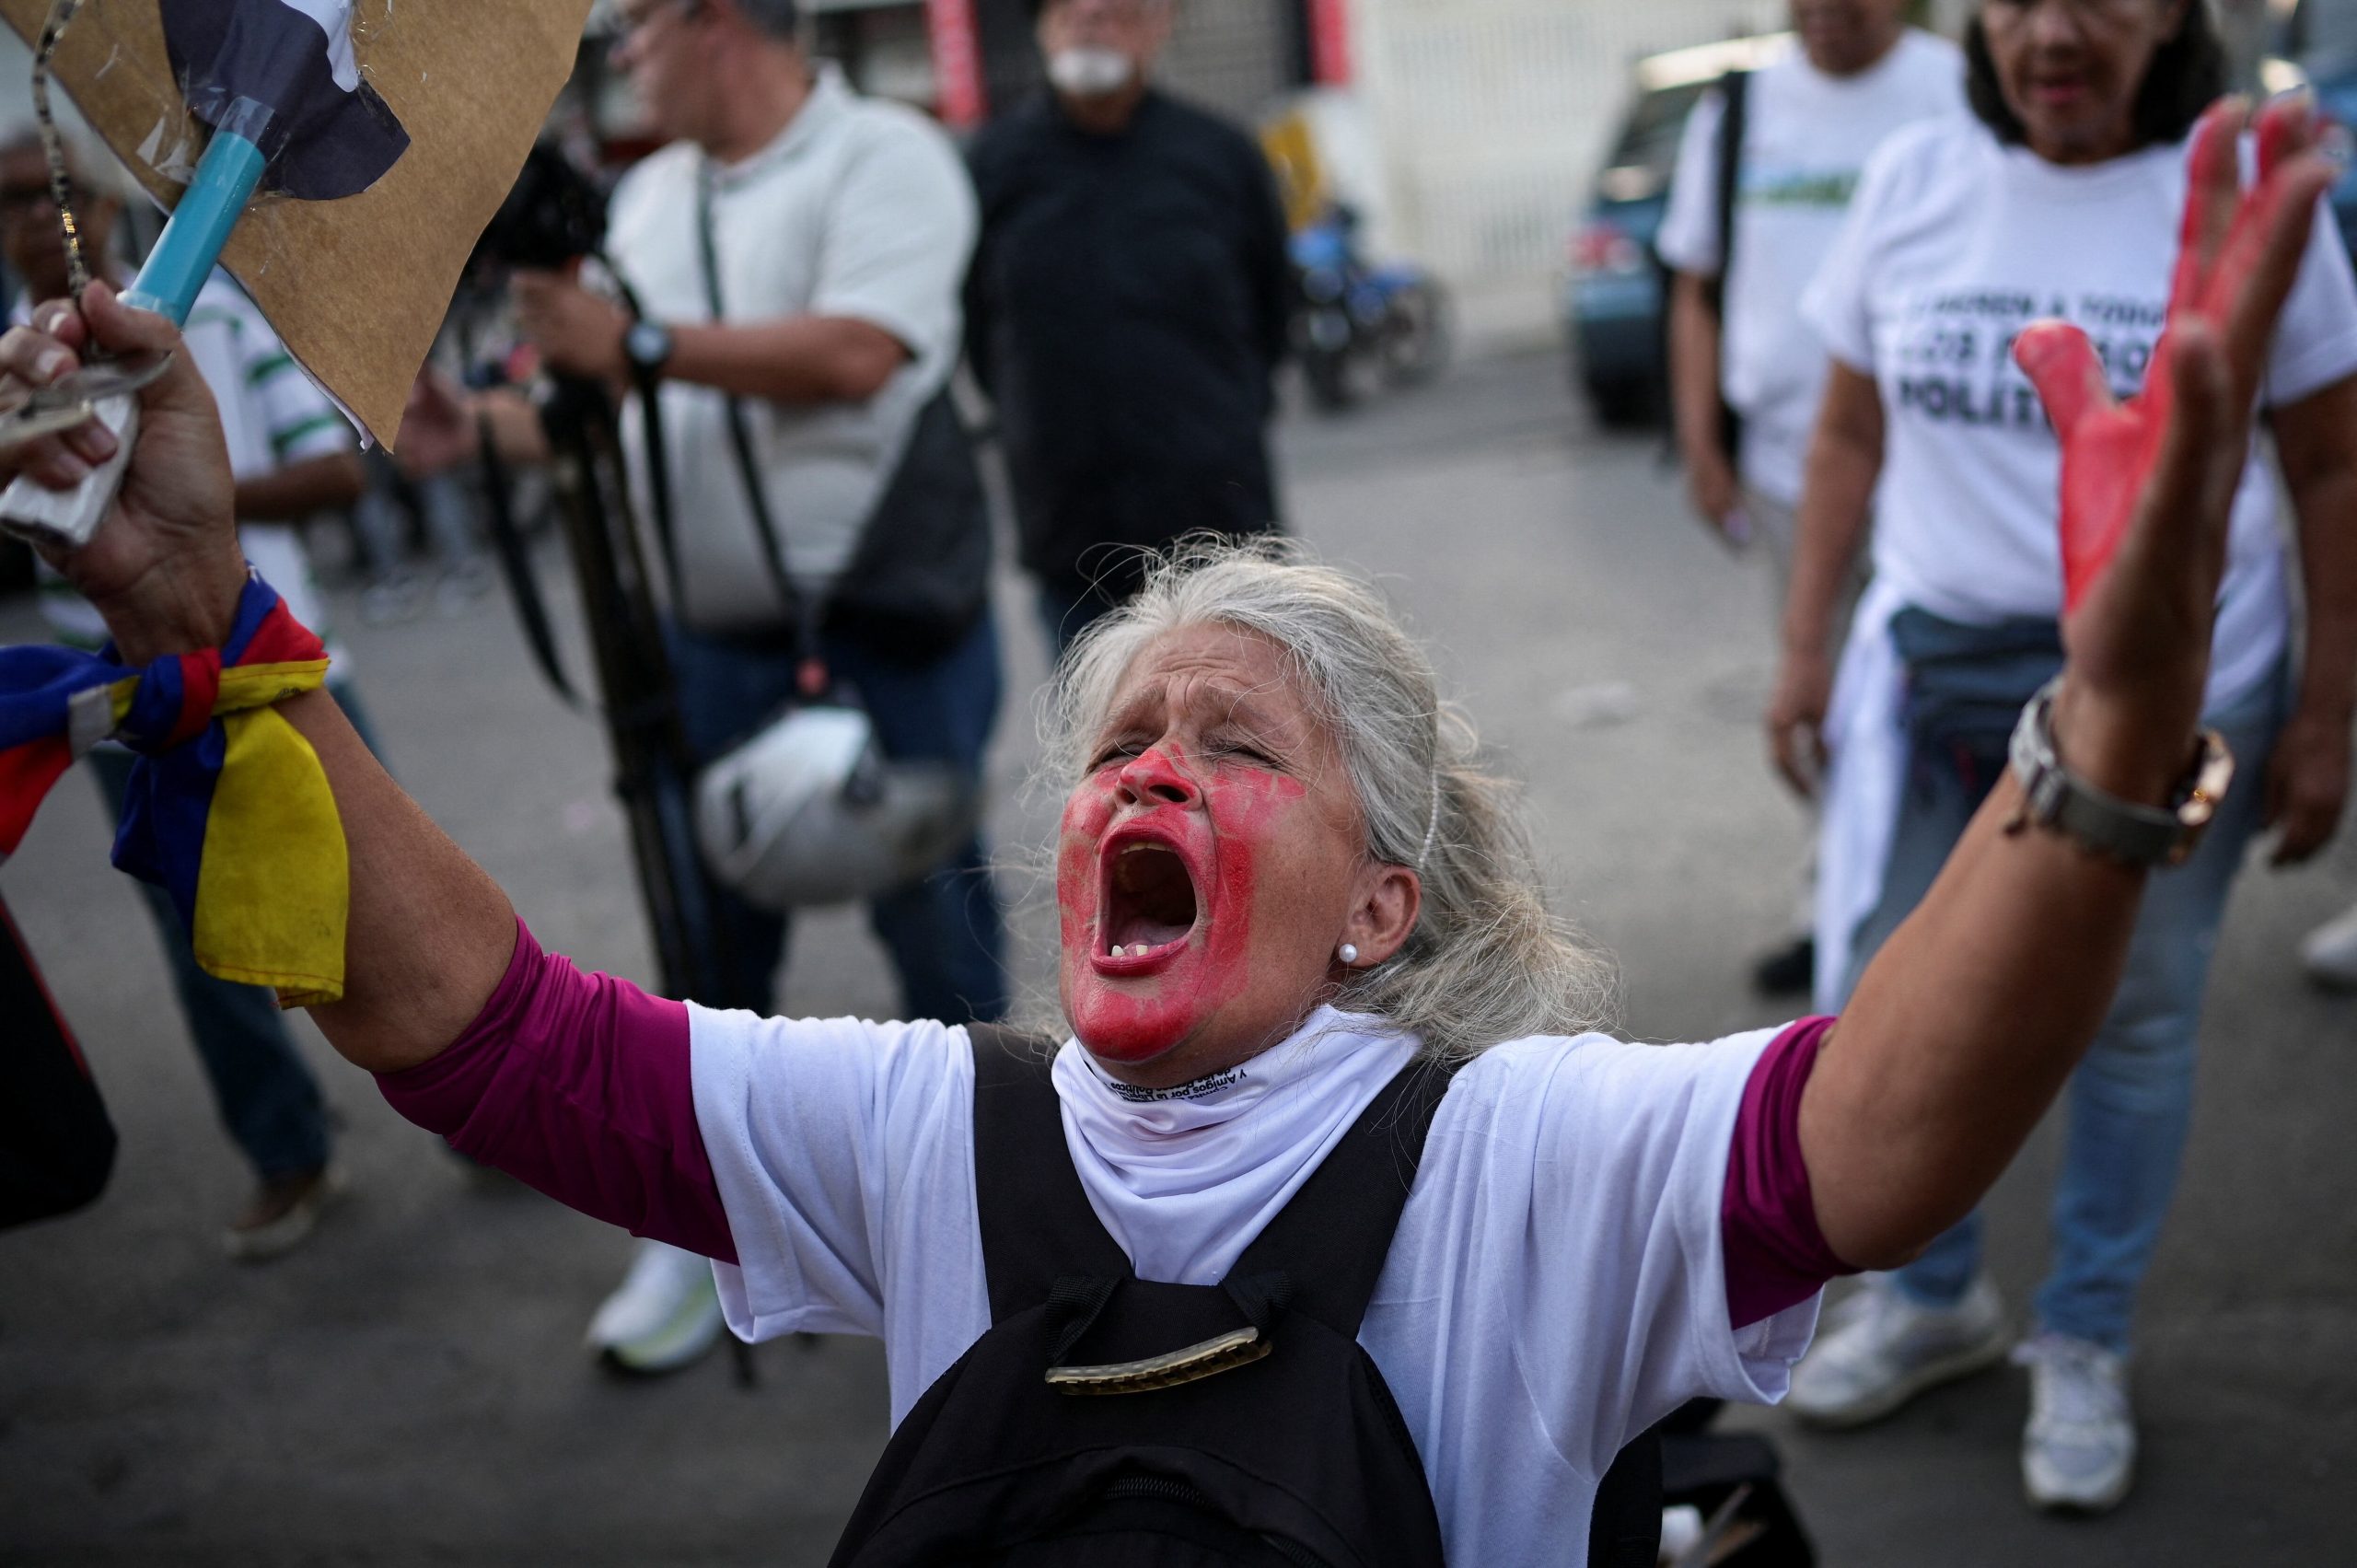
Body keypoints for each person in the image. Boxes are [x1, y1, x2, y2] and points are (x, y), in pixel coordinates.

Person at [5, 95, 2325, 1555]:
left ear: (1378, 903)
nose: (1141, 773)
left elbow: (1883, 1134)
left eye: (1233, 751)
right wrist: (211, 621)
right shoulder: (923, 1126)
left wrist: (2104, 726)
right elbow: (487, 1040)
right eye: (1119, 746)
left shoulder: (1521, 1159)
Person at [1767, 0, 2357, 1512]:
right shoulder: (1915, 179)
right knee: (1894, 999)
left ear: (2173, 16)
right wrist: (1806, 647)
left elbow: (2331, 463)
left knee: (2140, 1022)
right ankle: (1932, 1293)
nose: (2053, 31)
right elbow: (1846, 436)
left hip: (2174, 702)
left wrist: (2328, 709)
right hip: (1944, 697)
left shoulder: (2232, 199)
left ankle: (2082, 1333)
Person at [469, 0, 1004, 1369]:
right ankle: (704, 1237)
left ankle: (996, 1223)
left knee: (939, 948)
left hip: (883, 626)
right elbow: (606, 400)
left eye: (633, 28)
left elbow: (856, 353)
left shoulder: (884, 154)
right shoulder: (645, 199)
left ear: (717, 21)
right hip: (703, 648)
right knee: (707, 971)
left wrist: (634, 346)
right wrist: (475, 431)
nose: (620, 58)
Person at [0, 130, 369, 1260]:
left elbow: (339, 470)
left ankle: (481, 1115)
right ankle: (285, 1149)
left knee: (369, 910)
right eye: (7, 200)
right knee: (206, 946)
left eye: (47, 195)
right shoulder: (14, 358)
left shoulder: (209, 316)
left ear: (104, 207)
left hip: (276, 669)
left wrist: (179, 501)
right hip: (124, 702)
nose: (32, 218)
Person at [1656, 0, 1965, 997]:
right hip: (1789, 470)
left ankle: (1962, 911)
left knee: (1947, 693)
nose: (1825, 15)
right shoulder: (1741, 107)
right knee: (1817, 692)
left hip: (1931, 472)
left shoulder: (1953, 88)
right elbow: (1695, 286)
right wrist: (1703, 440)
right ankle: (1831, 902)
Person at [964, 0, 1295, 657]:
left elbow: (1272, 317)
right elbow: (977, 333)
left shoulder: (1221, 155)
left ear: (1157, 23)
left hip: (1221, 536)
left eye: (1114, 10)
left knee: (1241, 734)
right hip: (1074, 540)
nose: (1090, 21)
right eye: (1071, 10)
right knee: (1102, 747)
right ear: (1042, 26)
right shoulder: (991, 166)